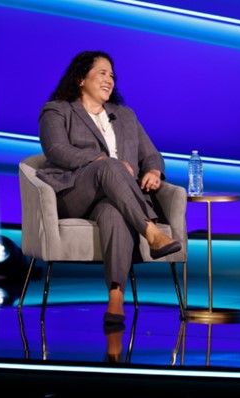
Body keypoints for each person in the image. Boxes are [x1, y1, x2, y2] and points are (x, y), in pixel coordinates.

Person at [37, 50, 182, 325]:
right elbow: (56, 150)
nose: (109, 80)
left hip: (116, 198)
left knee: (114, 213)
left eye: (112, 75)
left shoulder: (125, 116)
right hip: (75, 194)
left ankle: (116, 298)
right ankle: (151, 231)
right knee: (111, 166)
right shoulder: (57, 109)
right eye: (102, 73)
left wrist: (153, 171)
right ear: (81, 78)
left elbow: (151, 154)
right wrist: (102, 161)